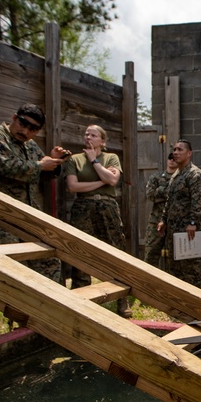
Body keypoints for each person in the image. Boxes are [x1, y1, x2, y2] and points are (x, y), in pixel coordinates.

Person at [0, 103, 65, 282]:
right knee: (14, 276)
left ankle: (45, 309)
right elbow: (6, 166)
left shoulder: (30, 145)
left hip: (28, 217)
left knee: (50, 263)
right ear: (14, 118)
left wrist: (54, 162)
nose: (26, 132)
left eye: (33, 129)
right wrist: (41, 165)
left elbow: (43, 173)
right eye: (23, 124)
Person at [63, 124, 130, 317]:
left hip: (107, 207)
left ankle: (122, 299)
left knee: (115, 251)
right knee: (80, 251)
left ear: (102, 141)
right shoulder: (74, 159)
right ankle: (80, 299)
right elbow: (73, 186)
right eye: (86, 134)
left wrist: (94, 162)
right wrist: (102, 180)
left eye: (93, 135)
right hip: (83, 208)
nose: (88, 137)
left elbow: (113, 180)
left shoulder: (111, 158)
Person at [158, 140, 201, 285]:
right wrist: (163, 220)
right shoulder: (176, 175)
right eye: (174, 149)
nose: (175, 152)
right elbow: (170, 200)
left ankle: (196, 301)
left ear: (189, 153)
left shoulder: (195, 174)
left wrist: (192, 222)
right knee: (174, 266)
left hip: (188, 230)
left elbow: (199, 202)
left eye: (180, 150)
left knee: (190, 267)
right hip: (174, 230)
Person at [144, 154, 178, 269]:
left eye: (174, 158)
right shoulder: (156, 177)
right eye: (170, 158)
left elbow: (181, 197)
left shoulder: (182, 178)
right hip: (156, 221)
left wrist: (160, 191)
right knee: (151, 254)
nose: (172, 160)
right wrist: (169, 191)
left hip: (175, 222)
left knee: (175, 257)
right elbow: (150, 195)